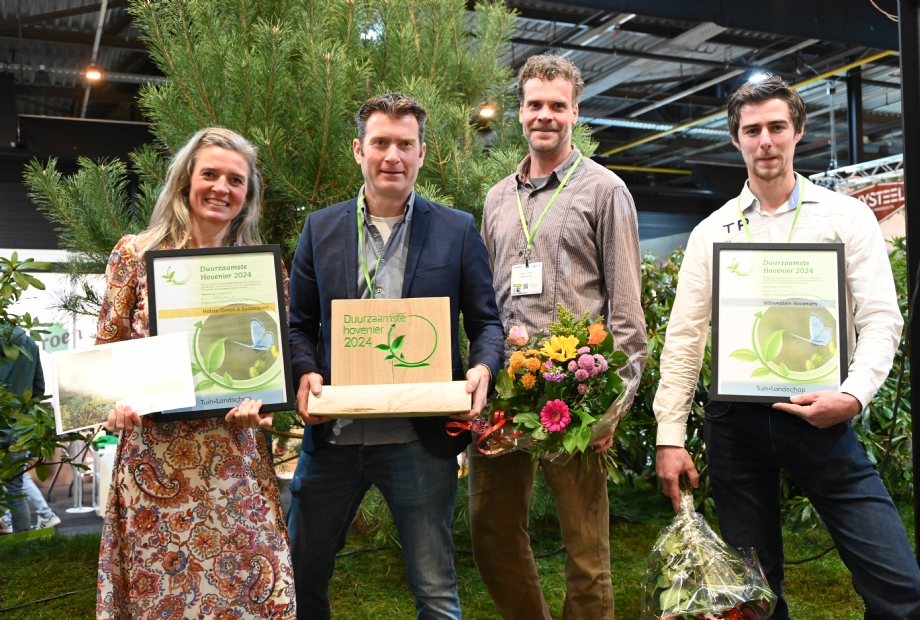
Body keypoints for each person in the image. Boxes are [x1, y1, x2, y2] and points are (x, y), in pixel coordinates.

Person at [653, 75, 920, 619]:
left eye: (777, 127)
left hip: (820, 412)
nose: (766, 141)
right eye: (752, 131)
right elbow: (683, 339)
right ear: (736, 140)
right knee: (754, 596)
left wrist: (853, 396)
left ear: (798, 131)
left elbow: (880, 319)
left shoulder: (845, 218)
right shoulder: (712, 232)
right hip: (735, 423)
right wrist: (669, 435)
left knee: (899, 586)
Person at [288, 92, 504, 619]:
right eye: (381, 142)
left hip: (416, 440)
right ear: (358, 150)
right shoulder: (320, 228)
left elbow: (486, 323)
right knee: (298, 576)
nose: (393, 156)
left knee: (435, 591)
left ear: (422, 153)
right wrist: (306, 372)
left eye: (405, 144)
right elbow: (299, 325)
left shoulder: (456, 229)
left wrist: (482, 369)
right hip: (333, 437)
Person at [470, 55, 647, 620]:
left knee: (586, 552)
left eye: (556, 106)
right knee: (491, 533)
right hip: (504, 391)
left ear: (574, 111)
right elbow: (485, 301)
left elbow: (626, 312)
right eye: (534, 105)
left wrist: (612, 405)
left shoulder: (605, 191)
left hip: (574, 396)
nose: (544, 115)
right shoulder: (497, 199)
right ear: (520, 112)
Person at [94, 127, 295, 619]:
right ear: (186, 180)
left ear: (247, 195)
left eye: (235, 180)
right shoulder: (134, 256)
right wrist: (113, 407)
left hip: (233, 465)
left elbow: (271, 365)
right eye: (210, 174)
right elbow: (105, 354)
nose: (221, 188)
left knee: (249, 593)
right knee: (162, 598)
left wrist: (263, 409)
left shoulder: (265, 271)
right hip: (152, 467)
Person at [0, 327, 46, 539]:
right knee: (16, 488)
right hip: (21, 425)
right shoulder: (28, 340)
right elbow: (38, 386)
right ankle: (22, 547)